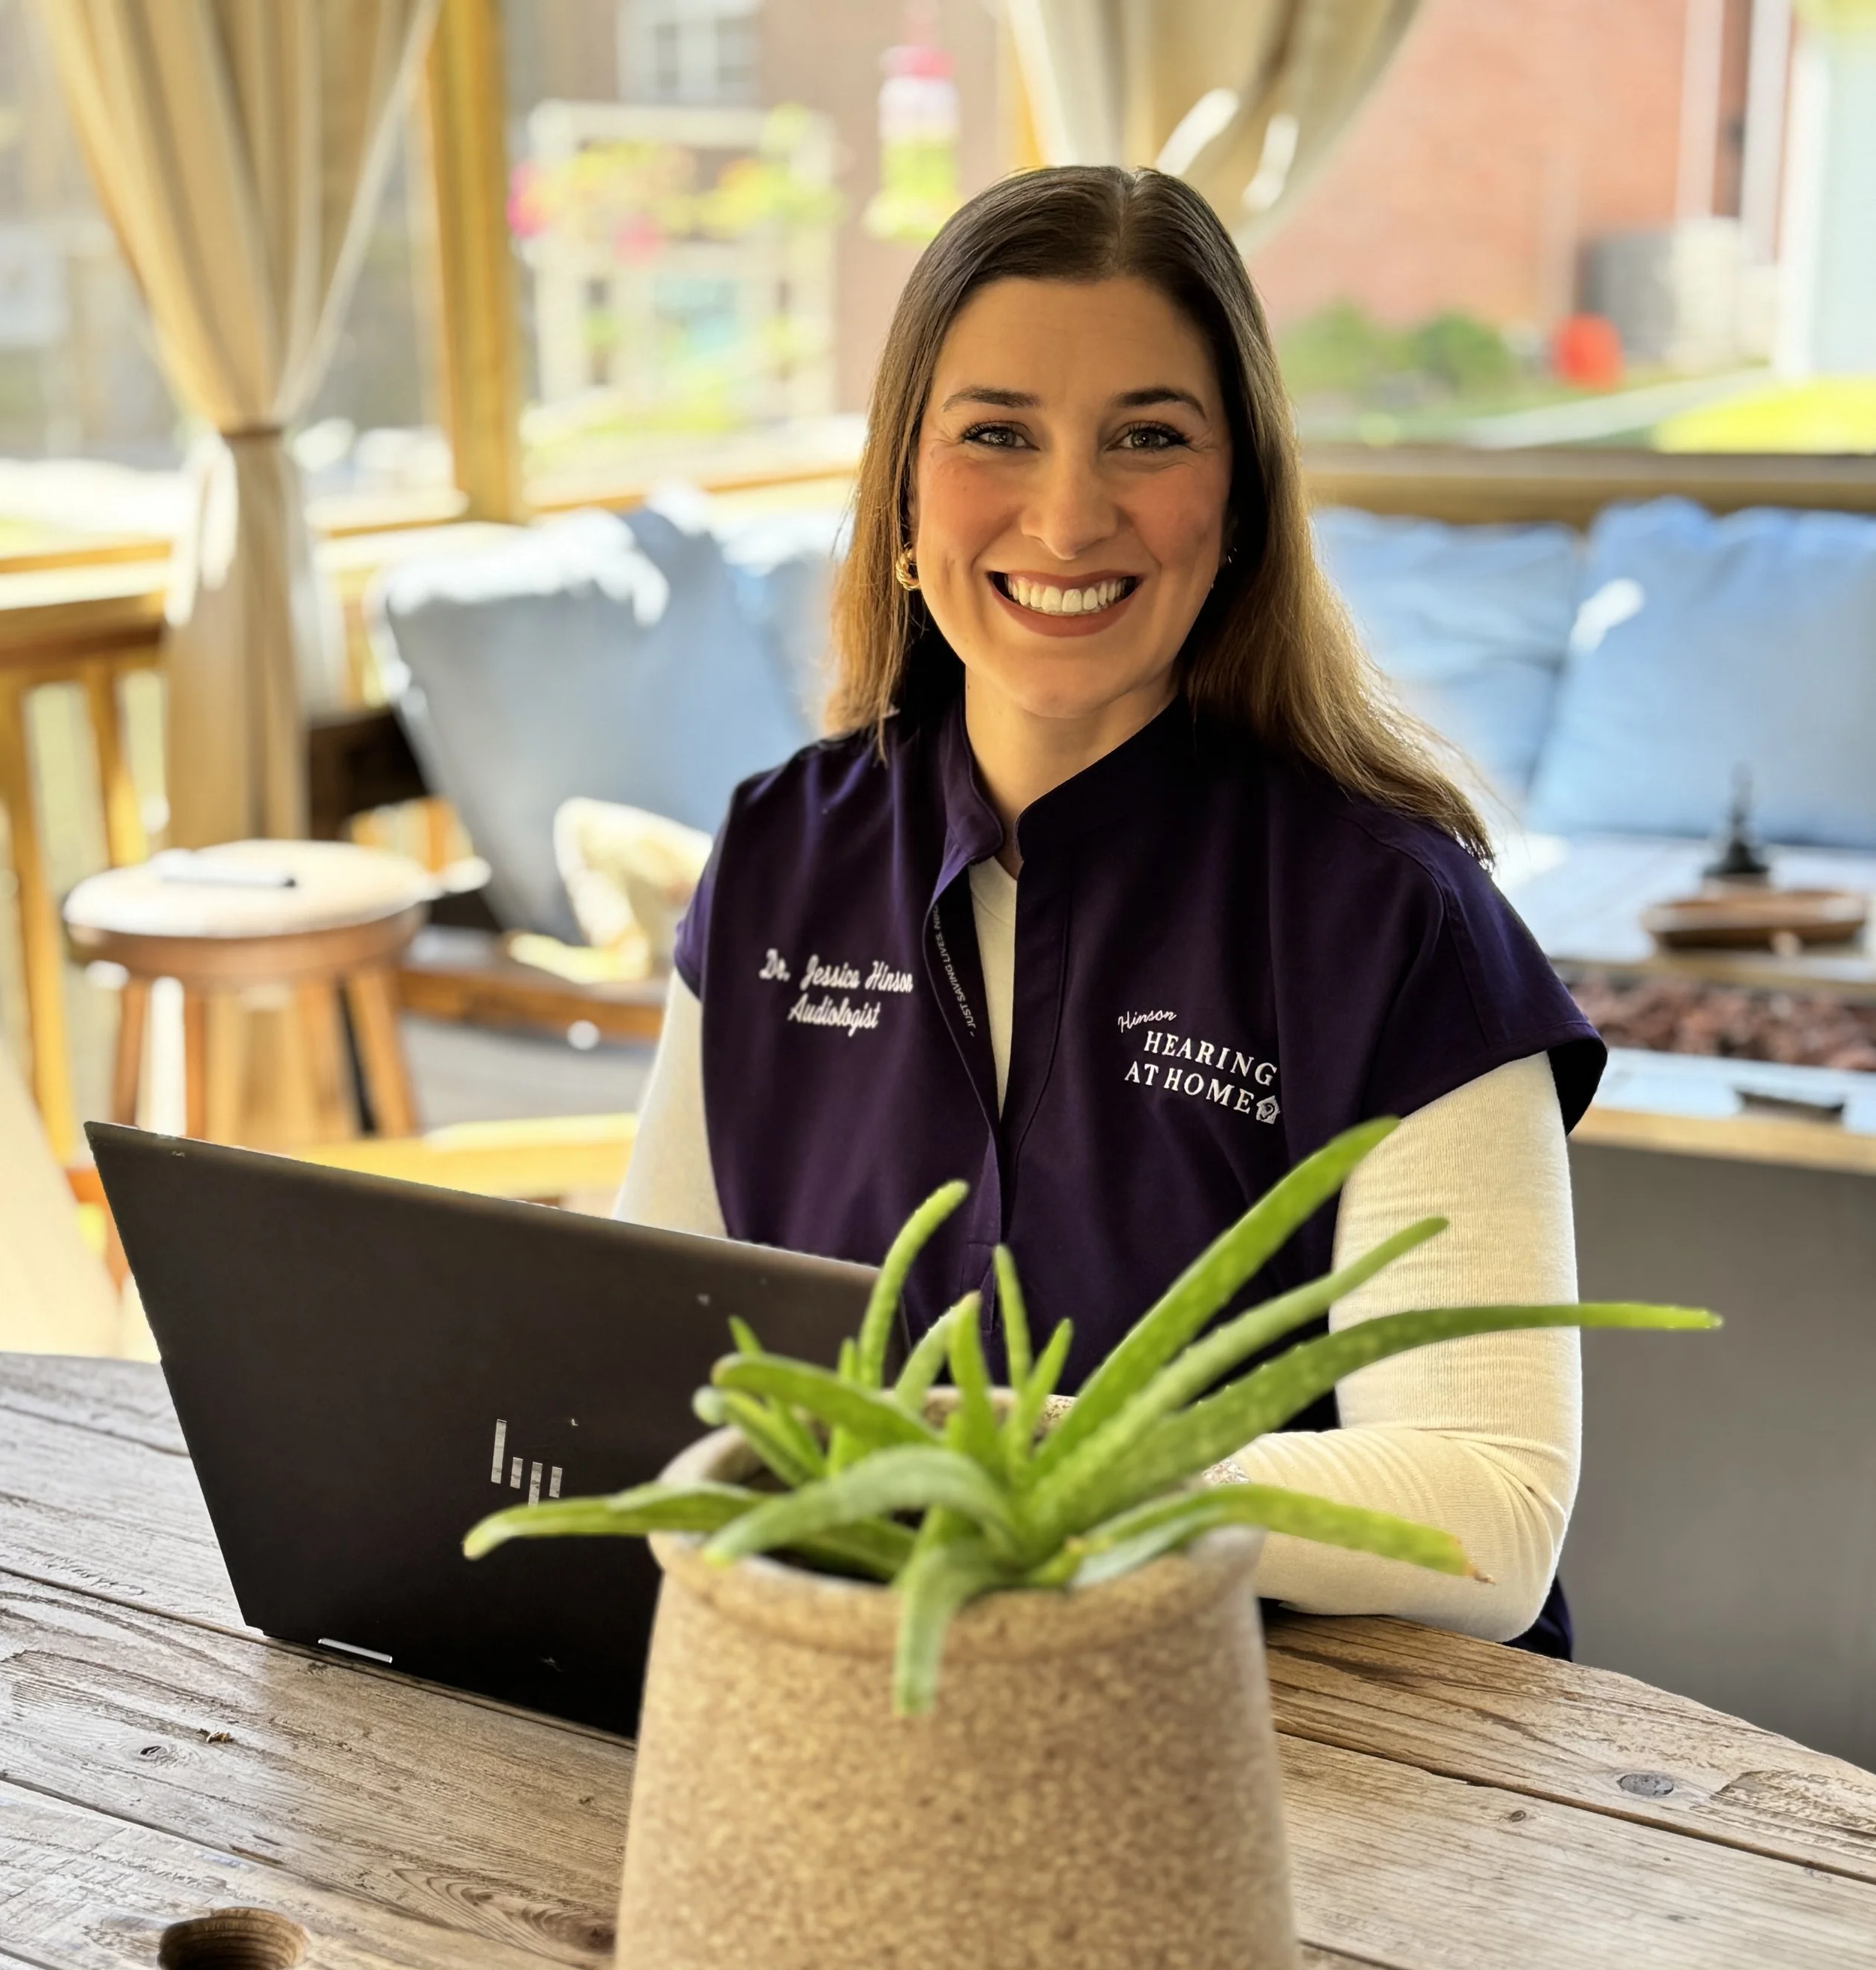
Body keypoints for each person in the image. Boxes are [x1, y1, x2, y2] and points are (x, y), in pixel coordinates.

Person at [620, 165, 1604, 1657]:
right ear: (902, 489)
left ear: (1239, 509)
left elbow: (1488, 1510)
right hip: (861, 1718)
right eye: (994, 434)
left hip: (1317, 1773)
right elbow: (649, 1371)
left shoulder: (1398, 921)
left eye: (1145, 437)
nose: (1068, 513)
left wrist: (1001, 1469)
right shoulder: (773, 854)